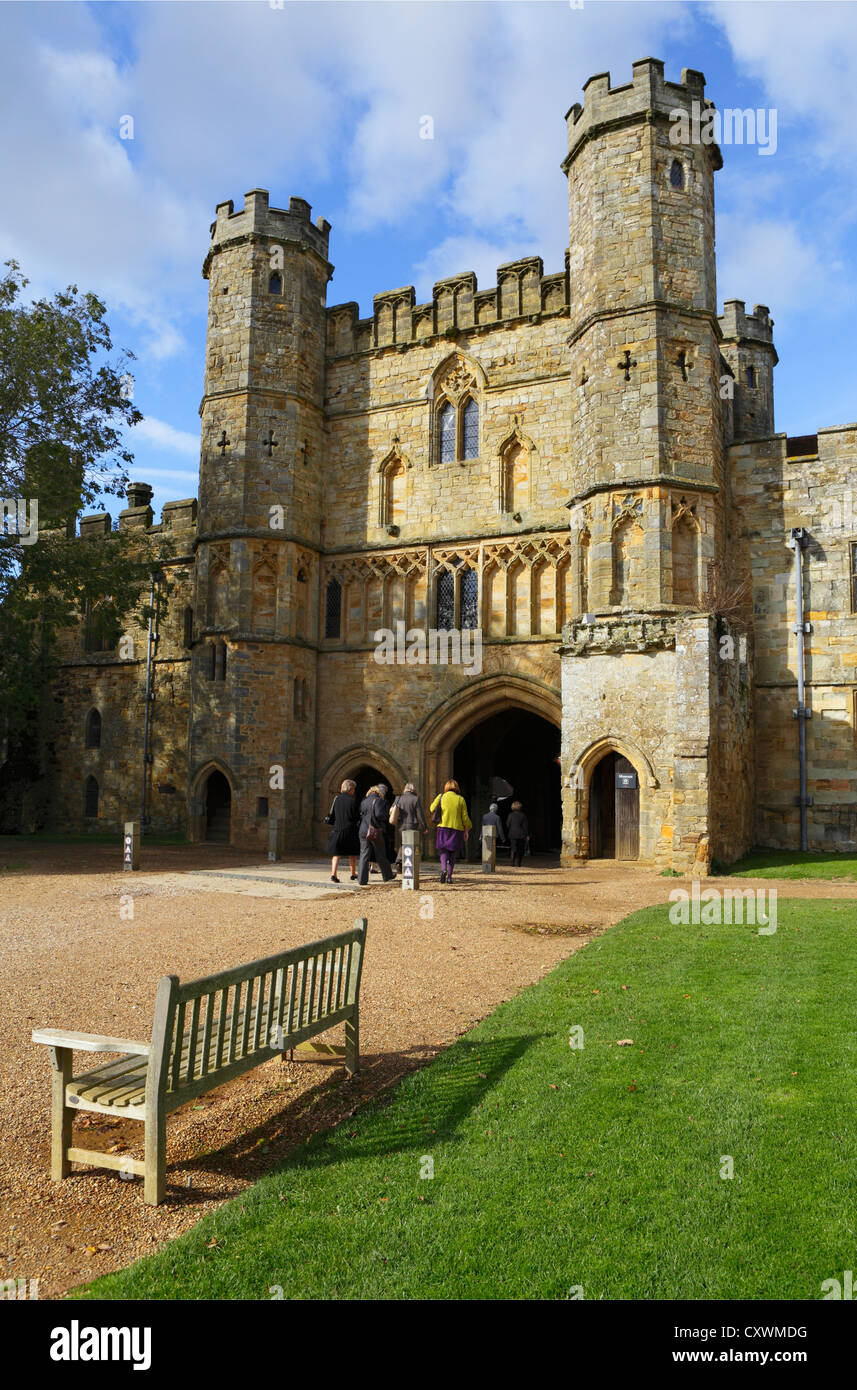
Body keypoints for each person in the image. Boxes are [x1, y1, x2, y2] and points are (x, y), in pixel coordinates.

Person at [429, 779, 472, 884]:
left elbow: (431, 808)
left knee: (443, 850)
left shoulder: (441, 797)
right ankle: (449, 877)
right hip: (457, 829)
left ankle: (443, 869)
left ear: (446, 787)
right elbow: (465, 817)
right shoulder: (460, 799)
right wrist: (467, 830)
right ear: (456, 788)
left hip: (443, 827)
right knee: (453, 853)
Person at [357, 783, 395, 885]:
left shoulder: (364, 801)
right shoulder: (380, 801)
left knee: (364, 854)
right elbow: (380, 815)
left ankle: (362, 879)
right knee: (381, 854)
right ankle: (387, 875)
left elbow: (361, 814)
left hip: (363, 831)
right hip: (374, 830)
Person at [325, 778, 359, 883]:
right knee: (352, 853)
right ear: (351, 789)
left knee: (337, 854)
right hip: (350, 830)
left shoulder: (337, 799)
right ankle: (353, 873)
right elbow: (356, 816)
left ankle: (333, 874)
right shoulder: (353, 801)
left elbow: (333, 815)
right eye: (354, 789)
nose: (354, 791)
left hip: (338, 829)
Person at [392, 782, 428, 868]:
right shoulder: (415, 799)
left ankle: (399, 861)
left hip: (401, 825)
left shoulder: (398, 798)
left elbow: (392, 809)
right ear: (413, 789)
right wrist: (425, 826)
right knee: (411, 845)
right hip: (412, 824)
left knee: (402, 844)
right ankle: (409, 865)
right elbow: (420, 814)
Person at [506, 800, 530, 867]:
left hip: (512, 834)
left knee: (513, 849)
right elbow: (525, 826)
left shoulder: (510, 815)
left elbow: (508, 825)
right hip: (521, 834)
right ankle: (519, 863)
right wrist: (527, 835)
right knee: (520, 849)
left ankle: (512, 863)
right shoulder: (523, 815)